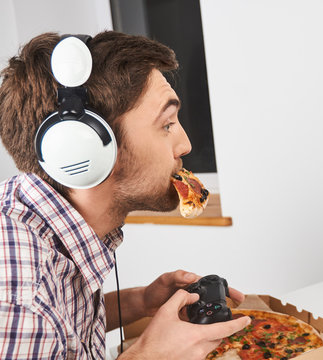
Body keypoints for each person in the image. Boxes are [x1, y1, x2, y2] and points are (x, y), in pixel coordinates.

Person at [0, 31, 250, 359]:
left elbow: (59, 324)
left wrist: (140, 302)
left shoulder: (37, 223)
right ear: (83, 151)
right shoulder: (19, 298)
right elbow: (35, 313)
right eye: (167, 124)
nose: (186, 144)